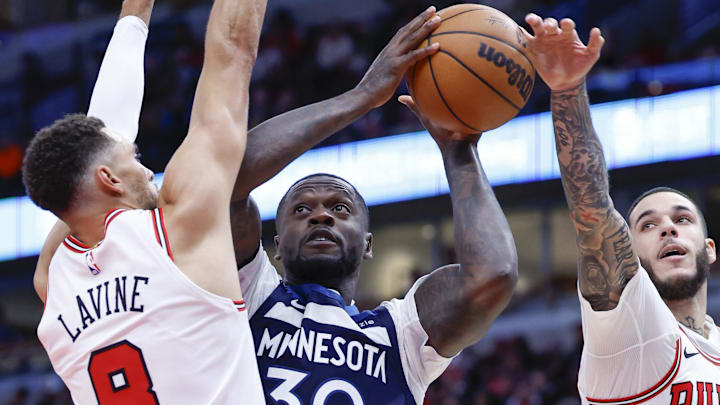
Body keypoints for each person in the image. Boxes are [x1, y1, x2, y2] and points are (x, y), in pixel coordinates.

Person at [228, 7, 518, 403]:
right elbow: (227, 179)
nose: (320, 214)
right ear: (275, 246)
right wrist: (361, 97)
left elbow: (492, 275)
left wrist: (459, 150)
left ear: (367, 245)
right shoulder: (250, 295)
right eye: (300, 210)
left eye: (340, 208)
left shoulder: (400, 333)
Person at [22, 0, 267, 402]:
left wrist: (136, 11)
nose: (147, 170)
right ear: (108, 179)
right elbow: (233, 49)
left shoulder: (52, 283)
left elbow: (98, 147)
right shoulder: (177, 232)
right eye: (135, 159)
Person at [524, 13, 720, 404]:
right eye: (648, 226)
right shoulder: (629, 328)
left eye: (682, 219)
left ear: (709, 248)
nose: (668, 229)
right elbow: (593, 211)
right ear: (628, 253)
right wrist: (566, 90)